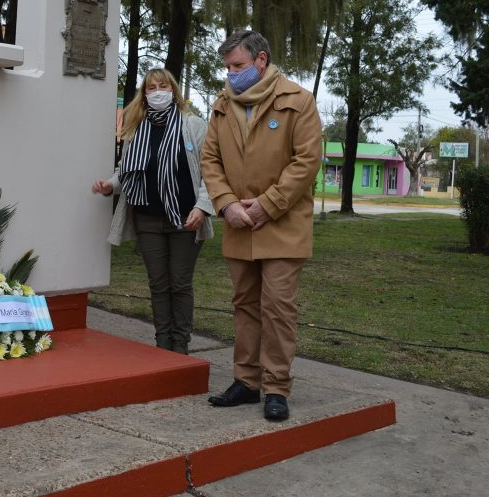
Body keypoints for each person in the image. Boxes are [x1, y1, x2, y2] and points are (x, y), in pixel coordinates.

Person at [200, 30, 321, 422]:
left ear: (261, 60)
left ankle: (276, 388)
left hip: (283, 225)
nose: (231, 74)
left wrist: (267, 205)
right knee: (245, 307)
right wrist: (226, 204)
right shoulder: (222, 105)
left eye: (238, 65)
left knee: (278, 308)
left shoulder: (298, 101)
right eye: (228, 67)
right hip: (238, 223)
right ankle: (247, 382)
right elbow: (210, 160)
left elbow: (306, 162)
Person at [91, 68, 214, 354]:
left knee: (179, 283)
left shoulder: (193, 126)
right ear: (144, 94)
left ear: (173, 90)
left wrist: (203, 207)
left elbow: (210, 172)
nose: (158, 91)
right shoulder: (136, 127)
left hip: (186, 219)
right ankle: (162, 345)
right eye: (151, 87)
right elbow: (127, 171)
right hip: (147, 219)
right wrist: (109, 185)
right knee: (158, 285)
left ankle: (180, 347)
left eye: (163, 85)